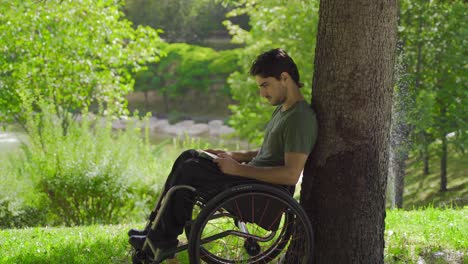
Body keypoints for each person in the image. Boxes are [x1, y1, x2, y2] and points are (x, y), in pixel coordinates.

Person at [128, 48, 318, 260]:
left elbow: (291, 174)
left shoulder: (301, 118)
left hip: (262, 195)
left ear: (284, 78)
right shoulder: (283, 110)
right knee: (189, 156)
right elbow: (268, 153)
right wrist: (231, 155)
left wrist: (239, 169)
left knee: (190, 169)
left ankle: (163, 238)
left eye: (265, 85)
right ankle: (154, 231)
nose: (262, 93)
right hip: (248, 180)